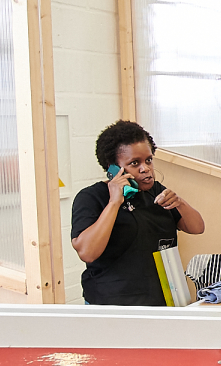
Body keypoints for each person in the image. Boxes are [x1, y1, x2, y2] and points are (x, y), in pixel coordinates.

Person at [70, 120, 205, 306]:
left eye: (148, 160)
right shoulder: (91, 197)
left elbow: (197, 227)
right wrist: (114, 202)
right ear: (113, 168)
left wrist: (180, 203)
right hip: (112, 306)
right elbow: (87, 252)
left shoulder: (156, 191)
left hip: (162, 301)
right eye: (135, 163)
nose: (145, 168)